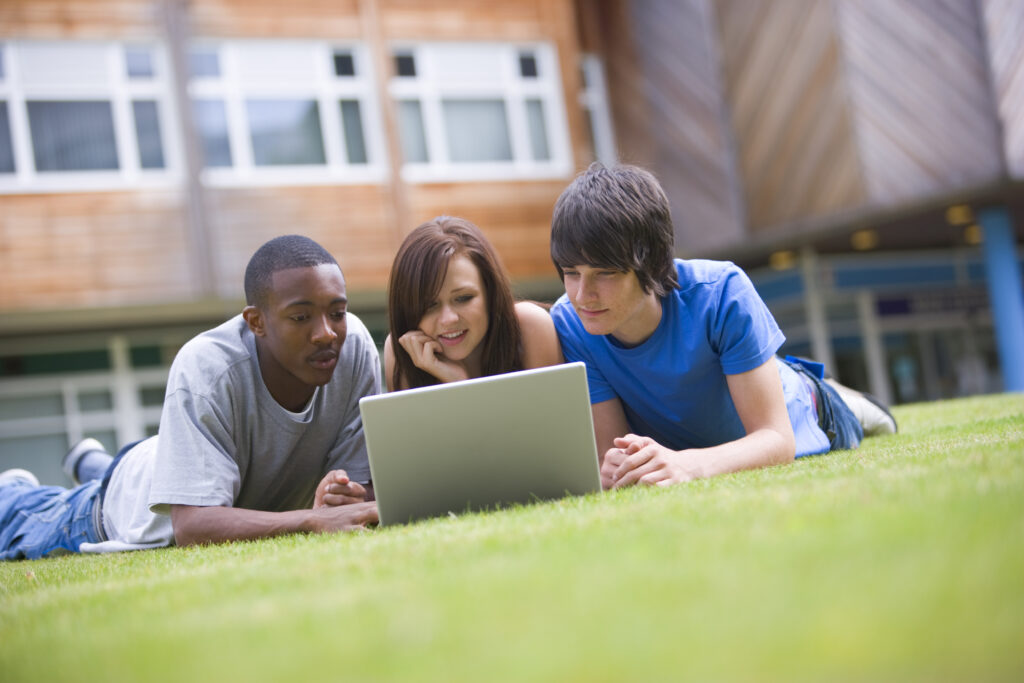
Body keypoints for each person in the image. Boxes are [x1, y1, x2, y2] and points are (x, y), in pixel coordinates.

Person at [0, 235, 380, 560]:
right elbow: (191, 526)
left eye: (338, 312)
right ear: (256, 322)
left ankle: (91, 462)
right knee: (24, 519)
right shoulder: (207, 367)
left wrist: (342, 495)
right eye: (301, 318)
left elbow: (358, 498)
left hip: (178, 458)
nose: (327, 333)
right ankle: (16, 489)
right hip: (125, 500)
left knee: (133, 463)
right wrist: (312, 519)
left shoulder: (355, 347)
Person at [548, 164, 897, 490]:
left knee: (850, 414)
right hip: (702, 434)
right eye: (571, 273)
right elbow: (616, 451)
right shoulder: (570, 323)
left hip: (810, 413)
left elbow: (777, 439)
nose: (583, 295)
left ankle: (840, 396)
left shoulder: (722, 291)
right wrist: (615, 464)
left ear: (652, 264)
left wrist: (689, 465)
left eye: (604, 273)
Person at [383, 215, 563, 391]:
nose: (448, 319)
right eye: (429, 306)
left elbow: (556, 420)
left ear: (490, 292)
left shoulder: (530, 328)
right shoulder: (400, 352)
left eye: (463, 298)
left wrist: (461, 385)